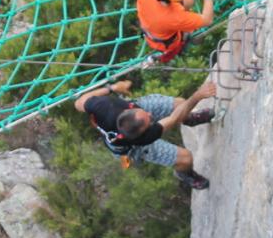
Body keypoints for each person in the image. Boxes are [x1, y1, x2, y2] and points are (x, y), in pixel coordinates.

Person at [73, 77, 217, 189]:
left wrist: (113, 87)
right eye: (149, 119)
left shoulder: (102, 106)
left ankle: (190, 119)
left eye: (144, 113)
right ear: (145, 130)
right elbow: (173, 119)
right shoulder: (144, 138)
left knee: (179, 104)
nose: (150, 113)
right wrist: (197, 95)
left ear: (127, 111)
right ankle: (185, 174)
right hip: (132, 148)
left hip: (133, 115)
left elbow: (78, 103)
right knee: (185, 159)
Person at [135, 0, 216, 61]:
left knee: (190, 1)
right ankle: (184, 36)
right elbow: (207, 20)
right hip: (167, 42)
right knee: (190, 1)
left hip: (150, 23)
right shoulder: (176, 18)